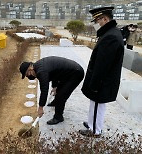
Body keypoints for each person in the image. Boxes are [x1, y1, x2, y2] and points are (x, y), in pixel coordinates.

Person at [80, 6, 124, 137]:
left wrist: (95, 84)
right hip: (103, 80)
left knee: (98, 105)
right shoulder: (110, 33)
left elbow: (102, 65)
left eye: (98, 20)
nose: (97, 24)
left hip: (102, 81)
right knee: (95, 104)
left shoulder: (110, 37)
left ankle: (95, 130)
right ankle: (92, 123)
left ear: (105, 19)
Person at [19, 56, 84, 125]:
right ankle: (56, 102)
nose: (28, 76)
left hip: (76, 74)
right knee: (59, 90)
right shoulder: (38, 66)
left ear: (30, 68)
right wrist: (55, 86)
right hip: (68, 73)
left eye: (27, 74)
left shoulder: (41, 72)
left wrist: (40, 107)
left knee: (61, 96)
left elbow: (44, 90)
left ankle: (58, 117)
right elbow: (54, 73)